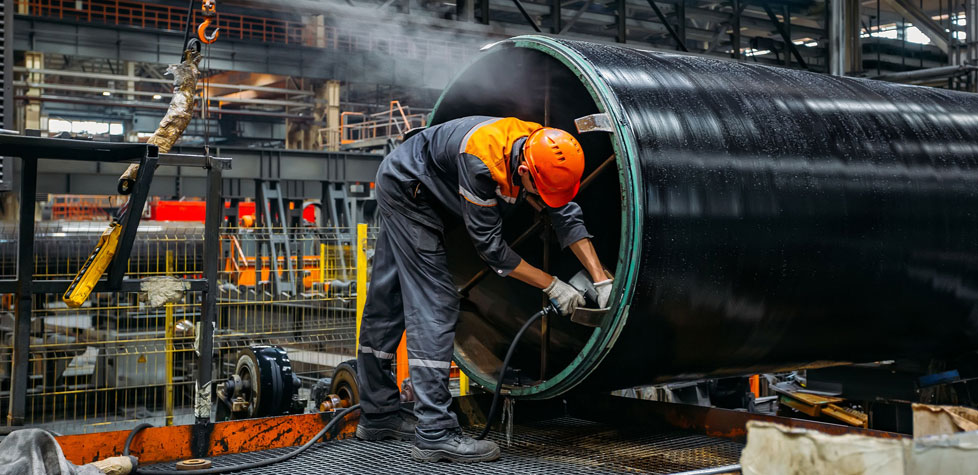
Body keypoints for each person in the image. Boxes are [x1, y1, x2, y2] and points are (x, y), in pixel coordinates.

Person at [354, 116, 613, 463]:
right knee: (435, 303)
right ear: (523, 170)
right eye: (539, 191)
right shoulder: (480, 160)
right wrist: (552, 285)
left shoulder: (543, 148)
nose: (544, 200)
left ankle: (378, 414)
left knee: (388, 298)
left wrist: (601, 279)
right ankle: (435, 433)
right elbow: (492, 251)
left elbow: (564, 211)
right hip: (410, 193)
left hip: (409, 176)